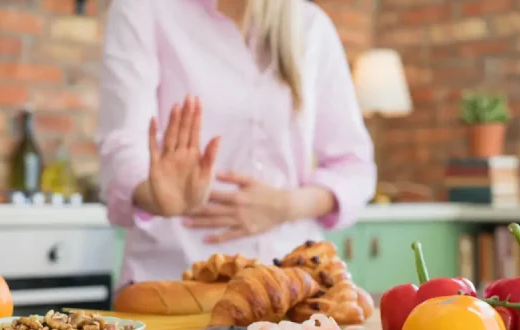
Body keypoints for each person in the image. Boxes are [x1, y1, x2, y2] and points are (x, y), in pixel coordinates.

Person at [97, 0, 376, 291]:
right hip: (174, 285)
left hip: (291, 288)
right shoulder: (144, 10)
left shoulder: (311, 27)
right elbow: (123, 148)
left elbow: (354, 168)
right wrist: (156, 197)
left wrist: (287, 205)